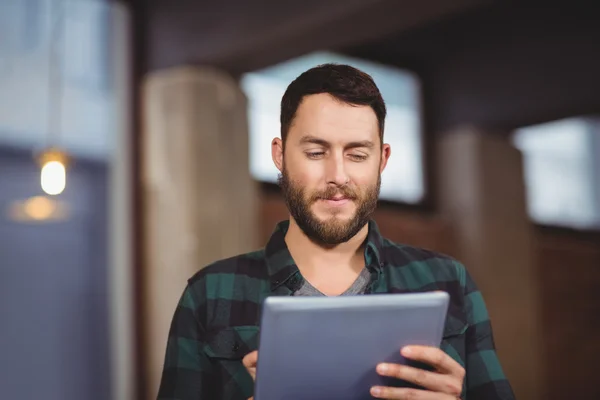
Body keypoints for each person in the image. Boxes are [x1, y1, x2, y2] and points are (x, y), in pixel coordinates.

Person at [157, 63, 515, 400]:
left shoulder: (450, 281)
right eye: (316, 152)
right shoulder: (209, 294)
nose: (338, 176)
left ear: (383, 160)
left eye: (357, 155)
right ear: (280, 155)